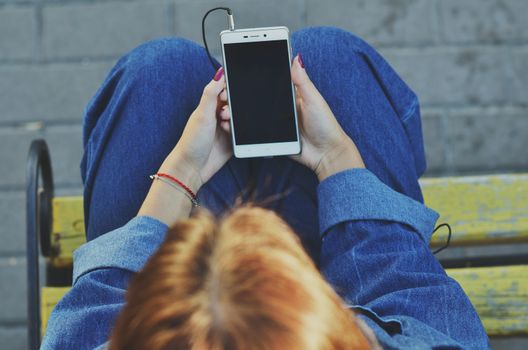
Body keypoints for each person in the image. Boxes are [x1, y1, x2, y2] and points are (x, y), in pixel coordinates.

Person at [40, 26, 489, 349]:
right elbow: (404, 286)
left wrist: (181, 173)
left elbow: (93, 315)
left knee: (158, 72)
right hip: (335, 296)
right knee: (329, 57)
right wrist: (336, 158)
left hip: (190, 301)